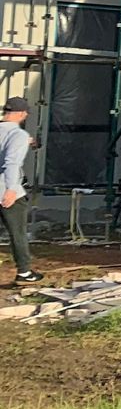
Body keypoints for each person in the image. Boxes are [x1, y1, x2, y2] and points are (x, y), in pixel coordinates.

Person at [0, 96, 40, 286]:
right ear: (23, 114)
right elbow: (12, 163)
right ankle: (24, 272)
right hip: (7, 192)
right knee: (18, 233)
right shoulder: (19, 135)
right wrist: (11, 189)